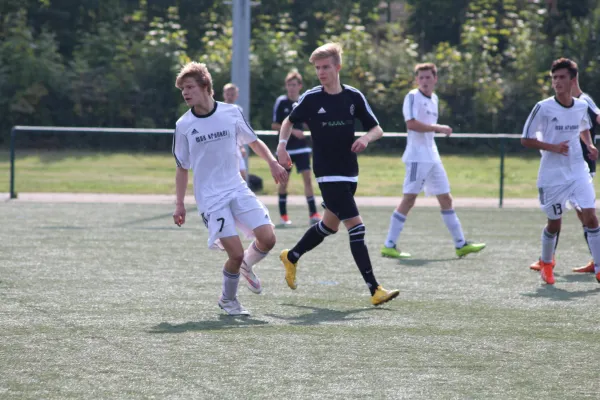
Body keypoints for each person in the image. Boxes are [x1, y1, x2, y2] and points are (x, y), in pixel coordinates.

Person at [276, 42, 399, 306]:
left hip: (349, 171)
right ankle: (374, 289)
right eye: (317, 68)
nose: (321, 72)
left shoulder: (353, 97)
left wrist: (366, 139)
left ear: (338, 67)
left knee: (328, 226)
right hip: (326, 172)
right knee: (357, 227)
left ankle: (292, 256)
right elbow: (289, 121)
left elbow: (377, 129)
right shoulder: (311, 98)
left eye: (325, 67)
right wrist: (282, 146)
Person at [172, 62, 288, 315]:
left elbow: (254, 142)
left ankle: (247, 264)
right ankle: (228, 300)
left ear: (205, 86)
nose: (185, 93)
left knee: (268, 238)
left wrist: (272, 163)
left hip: (236, 187)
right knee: (234, 254)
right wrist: (180, 204)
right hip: (210, 198)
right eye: (182, 89)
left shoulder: (231, 112)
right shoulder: (183, 125)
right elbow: (182, 167)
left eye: (189, 87)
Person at [380, 63, 486, 259]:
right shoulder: (412, 96)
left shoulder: (434, 98)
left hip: (432, 156)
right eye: (421, 78)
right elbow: (411, 124)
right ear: (417, 80)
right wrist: (437, 127)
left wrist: (435, 128)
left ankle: (460, 244)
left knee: (446, 198)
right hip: (416, 158)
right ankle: (389, 244)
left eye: (428, 77)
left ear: (435, 79)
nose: (424, 81)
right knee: (409, 198)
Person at [521, 57, 600, 285]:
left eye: (562, 77)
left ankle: (598, 267)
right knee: (554, 223)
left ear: (572, 80)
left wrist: (590, 145)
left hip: (577, 171)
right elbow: (525, 139)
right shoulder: (543, 107)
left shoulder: (582, 105)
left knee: (591, 217)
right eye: (554, 77)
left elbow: (583, 127)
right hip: (552, 175)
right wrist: (552, 147)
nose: (557, 82)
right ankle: (546, 263)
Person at [272, 71, 322, 226]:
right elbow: (275, 125)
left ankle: (313, 214)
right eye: (289, 85)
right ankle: (283, 216)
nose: (291, 88)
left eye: (294, 85)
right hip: (286, 149)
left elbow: (309, 121)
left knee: (307, 179)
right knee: (284, 183)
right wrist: (293, 131)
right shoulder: (281, 102)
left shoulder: (304, 100)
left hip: (302, 149)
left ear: (300, 86)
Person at [222, 82, 249, 182]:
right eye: (227, 94)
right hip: (223, 145)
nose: (230, 96)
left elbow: (239, 130)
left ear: (236, 95)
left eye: (232, 94)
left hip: (235, 145)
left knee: (242, 174)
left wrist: (242, 147)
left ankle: (241, 196)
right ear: (224, 94)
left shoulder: (238, 109)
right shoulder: (219, 109)